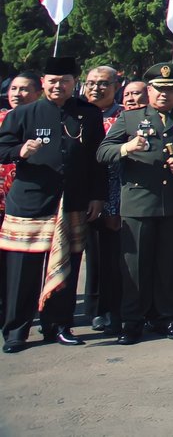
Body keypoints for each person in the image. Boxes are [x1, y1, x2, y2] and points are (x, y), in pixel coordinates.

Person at [0, 56, 106, 352]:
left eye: (65, 81)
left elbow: (97, 160)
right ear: (43, 83)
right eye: (53, 81)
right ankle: (16, 331)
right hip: (31, 202)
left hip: (73, 201)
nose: (59, 86)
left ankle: (58, 325)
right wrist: (20, 150)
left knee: (67, 267)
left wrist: (97, 196)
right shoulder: (23, 114)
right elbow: (2, 147)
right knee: (22, 273)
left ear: (74, 83)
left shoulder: (88, 114)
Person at [96, 64, 173, 344]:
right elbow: (102, 152)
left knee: (168, 264)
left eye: (171, 89)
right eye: (159, 89)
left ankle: (168, 318)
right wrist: (126, 148)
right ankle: (132, 321)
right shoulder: (130, 118)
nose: (165, 94)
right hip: (139, 203)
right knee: (135, 267)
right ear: (149, 90)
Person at [79, 65, 124, 335]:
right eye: (92, 83)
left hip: (116, 195)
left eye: (104, 83)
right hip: (83, 195)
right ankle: (94, 309)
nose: (97, 88)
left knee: (113, 256)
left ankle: (112, 308)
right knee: (92, 256)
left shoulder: (124, 116)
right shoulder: (77, 114)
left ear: (116, 87)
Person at [0, 72, 42, 335]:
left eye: (24, 89)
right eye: (14, 88)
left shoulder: (42, 120)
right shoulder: (2, 117)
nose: (17, 94)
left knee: (17, 265)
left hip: (24, 203)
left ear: (38, 93)